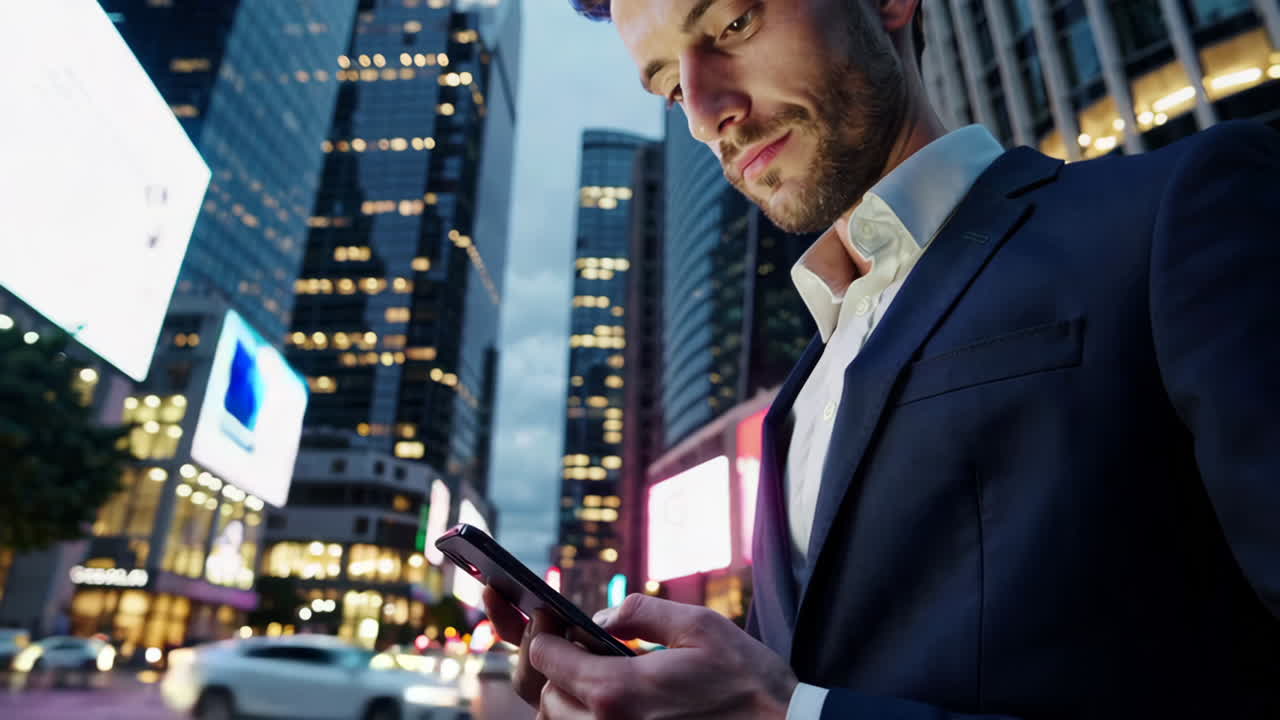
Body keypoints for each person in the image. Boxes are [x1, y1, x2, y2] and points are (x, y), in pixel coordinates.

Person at [483, 0, 1280, 717]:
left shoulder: (1178, 211)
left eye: (733, 25)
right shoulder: (797, 402)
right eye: (666, 86)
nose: (704, 113)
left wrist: (786, 717)